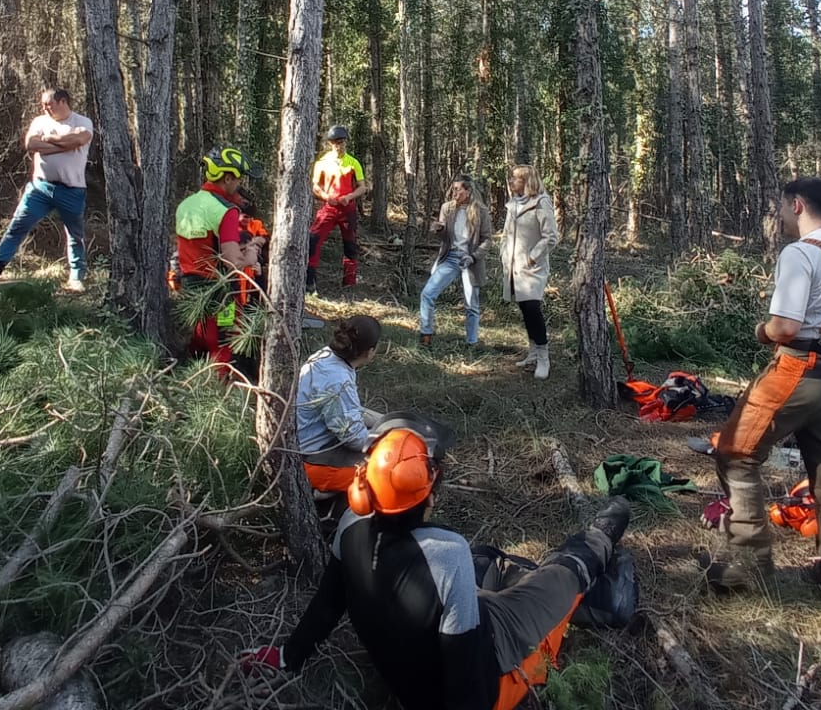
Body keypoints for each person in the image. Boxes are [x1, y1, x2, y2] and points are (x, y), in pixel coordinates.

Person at [240, 427, 631, 710]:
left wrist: (288, 655)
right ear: (428, 497)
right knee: (563, 572)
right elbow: (465, 673)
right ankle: (612, 529)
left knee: (483, 559)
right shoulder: (446, 553)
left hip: (417, 669)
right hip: (496, 669)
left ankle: (529, 578)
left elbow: (327, 605)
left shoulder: (349, 526)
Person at [704, 176, 821, 593]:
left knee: (735, 452)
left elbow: (785, 327)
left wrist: (762, 330)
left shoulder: (799, 253)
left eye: (781, 207)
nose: (780, 216)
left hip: (797, 371)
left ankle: (747, 566)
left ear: (797, 205)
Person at [0, 88, 94, 292]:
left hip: (72, 190)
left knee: (75, 235)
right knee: (18, 225)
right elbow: (31, 144)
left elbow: (78, 140)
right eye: (43, 105)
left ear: (63, 101)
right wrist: (63, 145)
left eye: (49, 104)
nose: (45, 108)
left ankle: (76, 276)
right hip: (41, 187)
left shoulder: (82, 122)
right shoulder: (40, 122)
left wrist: (48, 140)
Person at [174, 146, 262, 370]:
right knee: (223, 341)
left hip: (190, 288)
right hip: (221, 294)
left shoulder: (186, 205)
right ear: (228, 177)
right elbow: (233, 263)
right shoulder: (226, 211)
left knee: (199, 339)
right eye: (238, 178)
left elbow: (204, 247)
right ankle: (219, 384)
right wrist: (251, 255)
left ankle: (190, 375)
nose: (239, 183)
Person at [298, 314, 383, 492]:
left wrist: (387, 421)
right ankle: (325, 495)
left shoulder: (326, 356)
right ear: (370, 352)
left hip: (309, 442)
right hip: (312, 458)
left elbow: (347, 410)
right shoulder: (338, 380)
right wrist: (389, 436)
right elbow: (355, 439)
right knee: (388, 471)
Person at [500, 164, 560, 378]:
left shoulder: (541, 202)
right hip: (513, 266)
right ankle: (533, 352)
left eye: (515, 178)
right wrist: (504, 254)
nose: (511, 181)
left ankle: (544, 358)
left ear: (527, 181)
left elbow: (551, 236)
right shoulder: (513, 204)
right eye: (511, 178)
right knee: (525, 309)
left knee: (533, 309)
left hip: (533, 267)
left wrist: (532, 257)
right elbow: (506, 234)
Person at [418, 176, 491, 348]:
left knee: (471, 304)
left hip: (470, 260)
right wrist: (439, 230)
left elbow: (487, 239)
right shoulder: (447, 208)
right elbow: (444, 237)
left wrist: (474, 256)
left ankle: (471, 343)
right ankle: (426, 336)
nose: (454, 193)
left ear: (468, 191)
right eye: (453, 189)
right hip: (450, 257)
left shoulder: (481, 211)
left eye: (458, 189)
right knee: (427, 293)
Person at [306, 125, 368, 294]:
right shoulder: (322, 163)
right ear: (330, 144)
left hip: (348, 209)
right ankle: (310, 283)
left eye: (342, 142)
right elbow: (315, 186)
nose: (339, 146)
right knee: (313, 240)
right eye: (336, 143)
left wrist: (350, 196)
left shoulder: (353, 163)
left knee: (350, 244)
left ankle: (349, 284)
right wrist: (326, 197)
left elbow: (362, 186)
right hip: (329, 207)